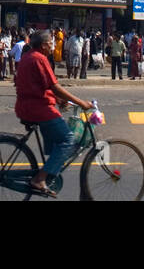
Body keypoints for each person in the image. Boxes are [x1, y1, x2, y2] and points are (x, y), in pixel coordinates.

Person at [15, 30, 96, 198]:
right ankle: (40, 179)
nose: (52, 46)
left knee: (57, 143)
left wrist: (59, 100)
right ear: (44, 45)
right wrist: (81, 102)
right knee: (69, 140)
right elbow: (54, 86)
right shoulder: (40, 59)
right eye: (51, 43)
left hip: (26, 106)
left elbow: (40, 86)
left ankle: (49, 170)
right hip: (39, 109)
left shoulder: (28, 56)